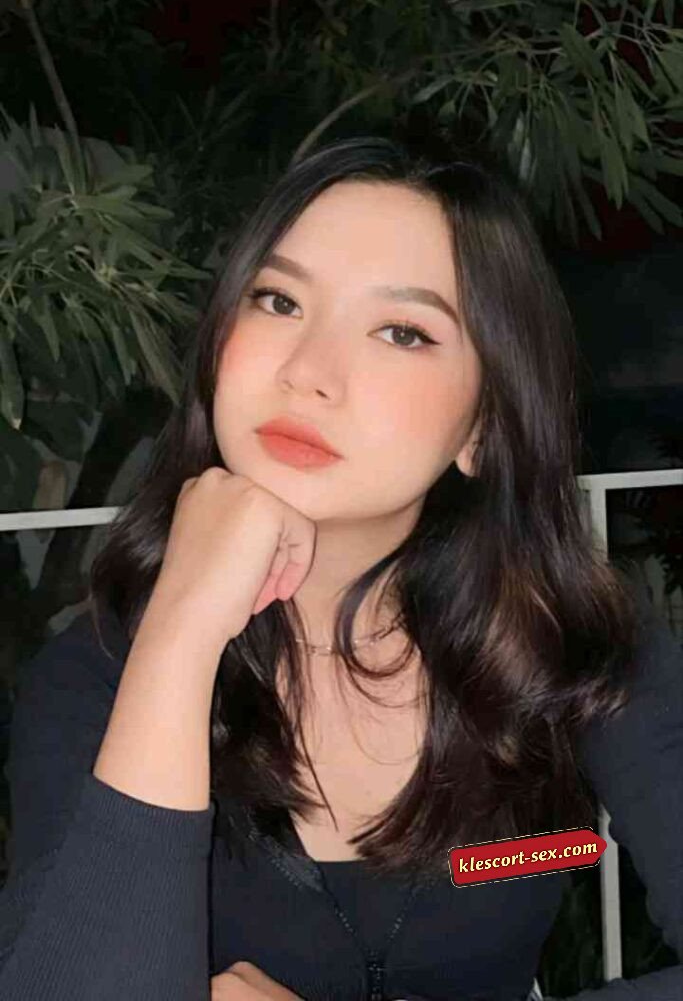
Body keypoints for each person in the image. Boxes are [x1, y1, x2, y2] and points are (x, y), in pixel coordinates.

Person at [0, 134, 681, 1001]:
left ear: (484, 425)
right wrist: (176, 638)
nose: (309, 372)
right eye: (279, 302)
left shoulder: (574, 644)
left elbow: (565, 847)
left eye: (402, 331)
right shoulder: (92, 681)